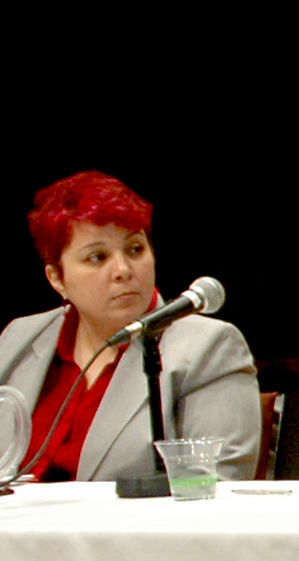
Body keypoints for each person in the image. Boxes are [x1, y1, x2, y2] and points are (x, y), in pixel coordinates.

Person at [0, 171, 260, 482]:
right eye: (97, 257)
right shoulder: (21, 337)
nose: (123, 270)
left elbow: (215, 486)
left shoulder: (208, 347)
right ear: (56, 277)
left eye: (135, 249)